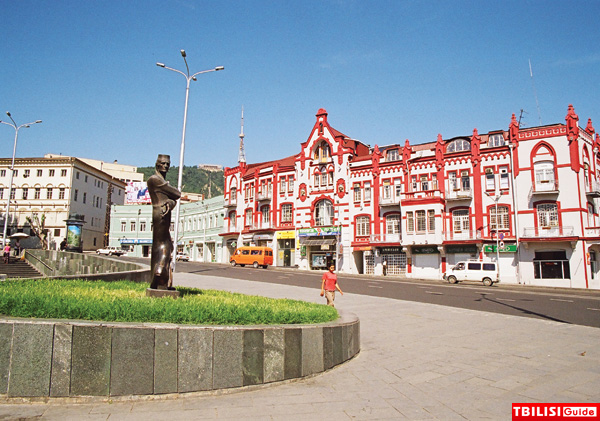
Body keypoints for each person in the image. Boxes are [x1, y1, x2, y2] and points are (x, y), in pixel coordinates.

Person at [147, 154, 181, 290]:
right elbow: (177, 194)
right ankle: (160, 269)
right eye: (163, 163)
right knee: (164, 244)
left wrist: (171, 203)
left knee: (161, 243)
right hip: (160, 213)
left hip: (163, 213)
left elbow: (172, 199)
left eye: (167, 164)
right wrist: (172, 199)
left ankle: (159, 282)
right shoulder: (154, 180)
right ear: (157, 164)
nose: (165, 166)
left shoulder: (159, 181)